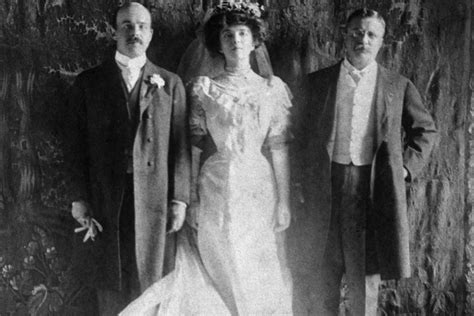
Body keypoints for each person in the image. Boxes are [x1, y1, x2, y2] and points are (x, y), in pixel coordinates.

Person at [120, 2, 293, 315]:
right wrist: (194, 200)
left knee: (256, 260)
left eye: (242, 33)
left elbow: (279, 147)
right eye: (228, 35)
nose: (236, 41)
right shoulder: (204, 89)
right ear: (219, 43)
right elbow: (195, 146)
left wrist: (283, 200)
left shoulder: (272, 88)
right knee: (222, 254)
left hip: (258, 184)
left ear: (254, 40)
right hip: (216, 183)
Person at [295, 8, 437, 315]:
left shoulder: (397, 85)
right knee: (323, 272)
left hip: (372, 190)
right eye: (357, 32)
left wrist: (403, 168)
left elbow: (425, 131)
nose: (364, 39)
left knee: (365, 277)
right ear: (344, 36)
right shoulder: (317, 83)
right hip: (326, 186)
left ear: (382, 41)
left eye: (372, 34)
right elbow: (299, 136)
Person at [66, 2, 191, 315]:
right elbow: (75, 147)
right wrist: (79, 198)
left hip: (155, 201)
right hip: (108, 199)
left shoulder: (170, 83)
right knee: (111, 279)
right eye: (126, 25)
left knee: (152, 280)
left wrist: (180, 200)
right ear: (114, 31)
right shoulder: (89, 83)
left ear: (150, 34)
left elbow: (181, 146)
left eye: (140, 26)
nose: (133, 32)